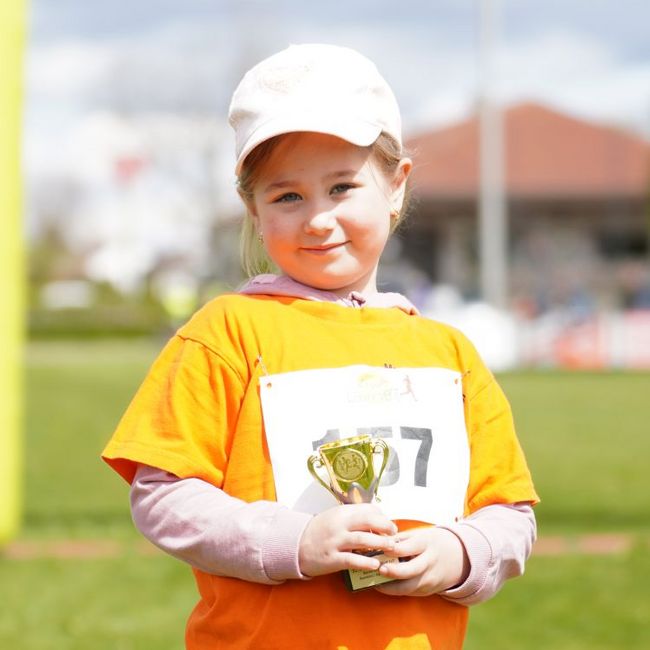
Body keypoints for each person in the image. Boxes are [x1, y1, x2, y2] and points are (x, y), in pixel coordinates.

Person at [102, 43, 538, 649]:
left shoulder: (450, 354)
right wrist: (294, 542)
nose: (317, 219)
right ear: (252, 209)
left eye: (341, 187)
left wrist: (462, 554)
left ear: (396, 187)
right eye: (287, 196)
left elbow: (510, 513)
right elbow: (164, 493)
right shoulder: (225, 331)